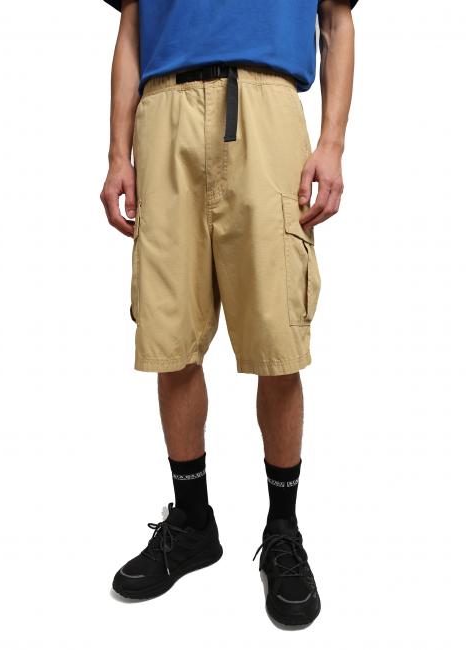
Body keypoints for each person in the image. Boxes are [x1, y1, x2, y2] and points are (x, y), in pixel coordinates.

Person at [100, 0, 357, 627]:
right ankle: (193, 523)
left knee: (276, 338)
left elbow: (336, 20)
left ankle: (283, 532)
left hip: (266, 107)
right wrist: (117, 155)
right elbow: (131, 26)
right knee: (170, 336)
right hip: (163, 113)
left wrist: (331, 143)